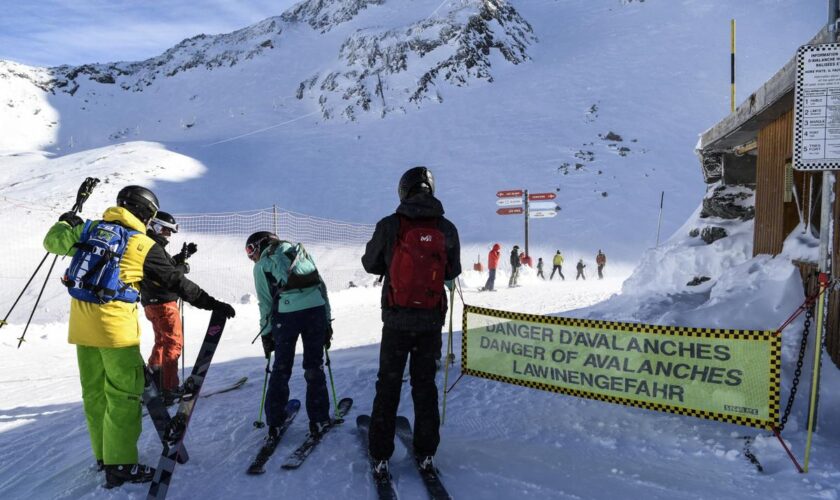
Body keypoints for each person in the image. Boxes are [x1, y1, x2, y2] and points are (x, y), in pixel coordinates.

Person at [43, 185, 235, 488]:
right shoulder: (142, 244)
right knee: (124, 398)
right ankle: (120, 465)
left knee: (95, 395)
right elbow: (176, 281)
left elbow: (52, 242)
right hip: (116, 333)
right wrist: (212, 303)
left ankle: (103, 457)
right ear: (145, 213)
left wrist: (67, 221)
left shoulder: (90, 228)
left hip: (81, 329)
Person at [361, 166, 461, 478]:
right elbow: (451, 270)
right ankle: (427, 452)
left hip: (396, 320)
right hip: (430, 322)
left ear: (403, 191)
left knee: (388, 385)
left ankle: (380, 454)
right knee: (425, 386)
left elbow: (369, 263)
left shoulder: (390, 225)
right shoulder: (446, 228)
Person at [247, 230, 333, 443]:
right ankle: (319, 418)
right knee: (314, 366)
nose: (251, 256)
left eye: (250, 250)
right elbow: (321, 286)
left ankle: (275, 422)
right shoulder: (300, 252)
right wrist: (327, 322)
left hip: (287, 316)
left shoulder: (262, 265)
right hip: (316, 311)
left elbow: (265, 304)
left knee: (281, 368)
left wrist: (267, 335)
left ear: (260, 245)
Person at [140, 211, 199, 404]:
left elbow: (162, 268)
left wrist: (181, 258)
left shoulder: (147, 245)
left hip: (151, 302)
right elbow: (168, 276)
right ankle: (169, 388)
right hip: (164, 302)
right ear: (155, 226)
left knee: (161, 342)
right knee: (173, 343)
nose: (168, 234)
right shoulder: (153, 246)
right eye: (166, 230)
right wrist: (183, 267)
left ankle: (155, 382)